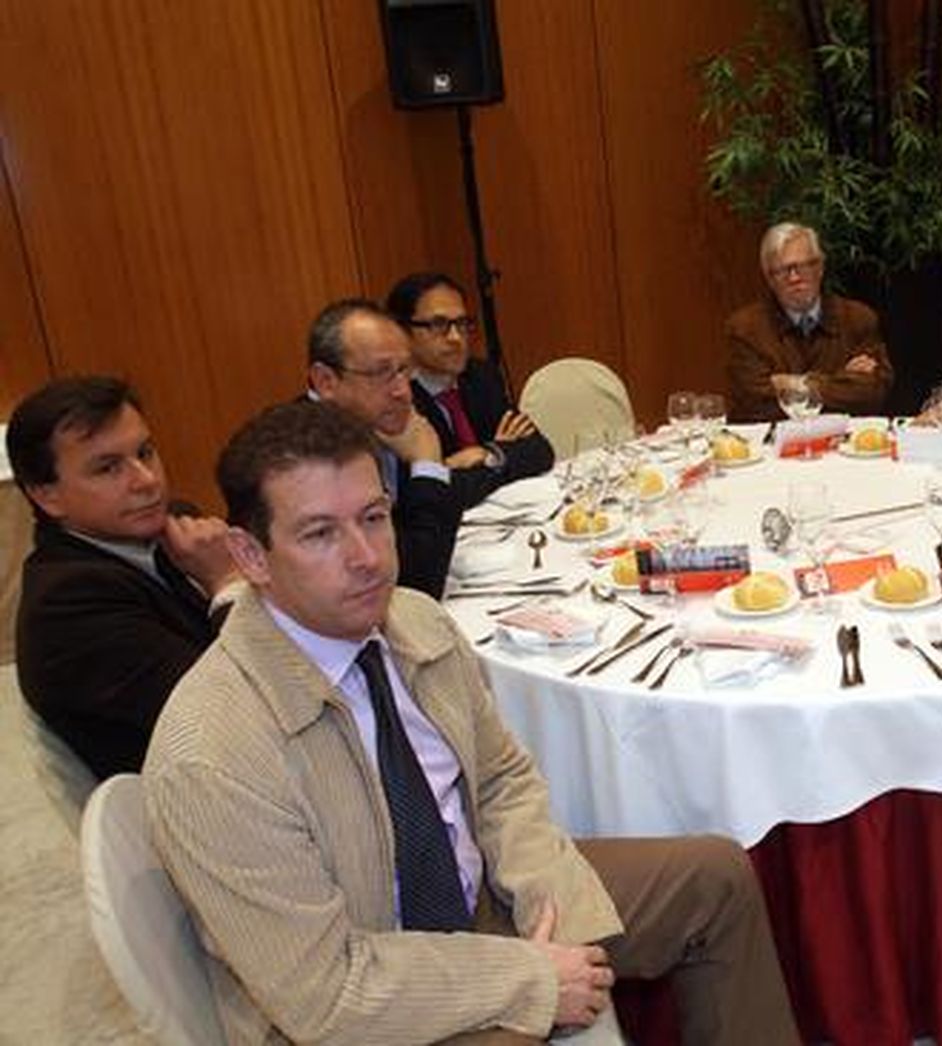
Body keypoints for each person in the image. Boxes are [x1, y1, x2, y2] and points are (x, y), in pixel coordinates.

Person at [144, 399, 801, 1045]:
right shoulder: (212, 752)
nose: (367, 556)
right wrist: (528, 978)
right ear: (250, 556)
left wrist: (554, 907)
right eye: (320, 534)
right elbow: (325, 994)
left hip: (483, 903)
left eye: (374, 518)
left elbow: (500, 782)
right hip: (363, 998)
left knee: (714, 878)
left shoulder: (416, 621)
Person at [8, 376, 235, 778]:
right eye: (108, 468)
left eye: (145, 453)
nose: (146, 480)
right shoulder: (68, 605)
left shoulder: (172, 527)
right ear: (47, 495)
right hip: (208, 806)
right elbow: (231, 712)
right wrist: (228, 584)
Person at [307, 297, 478, 599]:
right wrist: (427, 465)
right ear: (326, 381)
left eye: (404, 371)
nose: (402, 391)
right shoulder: (308, 457)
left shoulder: (378, 420)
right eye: (382, 373)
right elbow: (418, 584)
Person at [385, 271, 554, 483]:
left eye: (462, 323)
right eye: (439, 325)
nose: (456, 338)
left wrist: (488, 454)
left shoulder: (481, 376)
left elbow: (540, 451)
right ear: (401, 332)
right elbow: (427, 491)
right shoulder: (397, 399)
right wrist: (500, 456)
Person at [725, 221, 893, 421]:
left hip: (844, 444)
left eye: (802, 266)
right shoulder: (744, 328)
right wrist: (840, 380)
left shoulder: (858, 318)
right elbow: (754, 404)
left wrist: (792, 384)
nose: (794, 278)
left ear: (820, 267)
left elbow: (871, 394)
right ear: (769, 279)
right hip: (772, 446)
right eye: (783, 270)